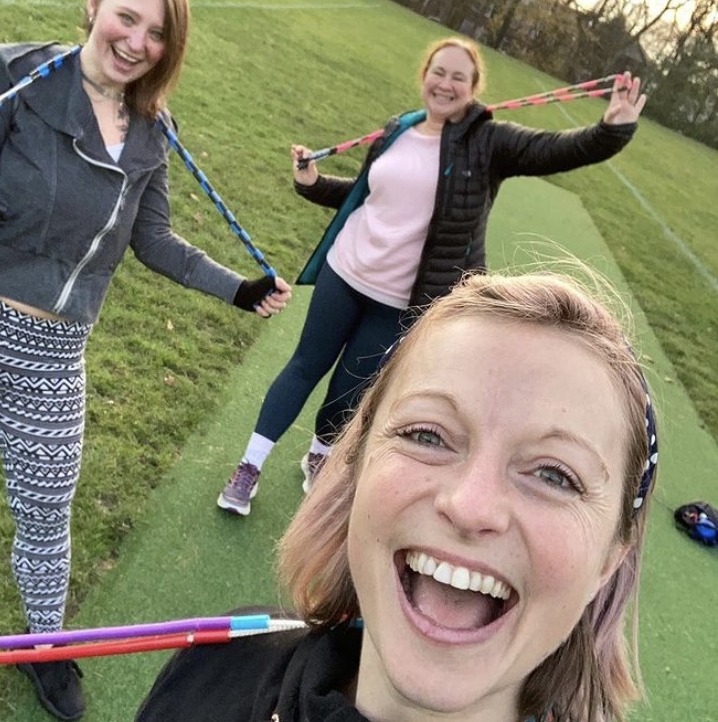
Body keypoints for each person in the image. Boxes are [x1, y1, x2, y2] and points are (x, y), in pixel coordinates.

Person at [0, 0, 290, 721]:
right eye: (127, 16)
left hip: (52, 352)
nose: (137, 40)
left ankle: (45, 648)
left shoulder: (151, 133)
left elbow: (156, 242)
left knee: (47, 514)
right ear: (94, 3)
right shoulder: (21, 76)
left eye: (157, 31)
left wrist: (237, 291)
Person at [138, 268, 660, 722]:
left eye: (554, 475)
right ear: (357, 465)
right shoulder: (215, 663)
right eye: (427, 436)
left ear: (609, 561)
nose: (470, 506)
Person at [217, 36, 647, 516]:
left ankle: (319, 456)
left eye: (458, 77)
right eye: (438, 72)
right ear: (425, 76)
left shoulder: (489, 142)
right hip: (346, 272)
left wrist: (612, 130)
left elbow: (556, 150)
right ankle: (249, 465)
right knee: (303, 367)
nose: (445, 83)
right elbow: (369, 195)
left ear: (473, 87)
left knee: (349, 392)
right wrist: (314, 186)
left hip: (399, 298)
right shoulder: (398, 129)